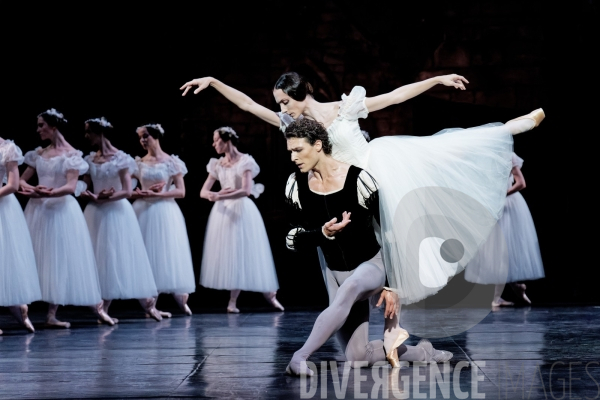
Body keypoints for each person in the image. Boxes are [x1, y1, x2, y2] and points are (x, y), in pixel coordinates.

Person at [180, 72, 545, 305]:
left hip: (378, 168)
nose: (283, 108)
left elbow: (395, 96)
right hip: (345, 188)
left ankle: (510, 128)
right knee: (367, 248)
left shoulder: (346, 107)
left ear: (302, 93)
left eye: (286, 101)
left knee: (440, 152)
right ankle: (367, 312)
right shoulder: (294, 125)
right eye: (280, 104)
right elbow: (247, 105)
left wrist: (435, 80)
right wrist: (213, 82)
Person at [283, 118, 452, 376]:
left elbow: (392, 232)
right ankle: (421, 352)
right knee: (358, 357)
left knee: (351, 288)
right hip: (334, 273)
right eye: (290, 151)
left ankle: (300, 356)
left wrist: (394, 285)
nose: (293, 157)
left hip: (371, 265)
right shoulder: (296, 185)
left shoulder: (359, 180)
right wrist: (322, 233)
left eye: (298, 150)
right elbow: (292, 239)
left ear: (318, 145)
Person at [19, 109, 114, 328]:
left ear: (54, 127)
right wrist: (33, 188)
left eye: (42, 125)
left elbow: (71, 186)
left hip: (61, 209)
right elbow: (22, 181)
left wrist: (48, 192)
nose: (38, 130)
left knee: (59, 258)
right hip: (38, 209)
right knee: (34, 255)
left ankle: (53, 313)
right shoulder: (38, 154)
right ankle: (24, 308)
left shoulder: (72, 154)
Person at [81, 117, 163, 321]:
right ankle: (102, 307)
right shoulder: (90, 159)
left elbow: (127, 190)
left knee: (120, 255)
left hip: (117, 211)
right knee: (98, 256)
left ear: (99, 133)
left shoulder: (122, 158)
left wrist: (105, 197)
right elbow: (83, 185)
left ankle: (146, 304)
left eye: (89, 132)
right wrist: (90, 195)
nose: (86, 136)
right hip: (95, 212)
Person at [199, 127, 283, 313]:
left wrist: (220, 197)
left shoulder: (245, 161)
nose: (214, 144)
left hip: (241, 209)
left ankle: (270, 294)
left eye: (216, 140)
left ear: (226, 140)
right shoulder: (217, 164)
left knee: (248, 250)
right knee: (230, 253)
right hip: (223, 212)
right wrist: (215, 194)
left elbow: (246, 190)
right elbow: (203, 191)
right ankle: (232, 301)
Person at [465, 152, 544, 306]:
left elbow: (521, 182)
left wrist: (503, 194)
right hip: (493, 206)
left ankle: (500, 295)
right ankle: (513, 289)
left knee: (503, 248)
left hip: (508, 205)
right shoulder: (487, 157)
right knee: (494, 249)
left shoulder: (509, 156)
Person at [132, 123, 195, 316]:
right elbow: (132, 189)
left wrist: (160, 194)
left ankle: (177, 297)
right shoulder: (139, 163)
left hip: (165, 211)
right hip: (143, 209)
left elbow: (181, 191)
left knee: (166, 252)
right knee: (147, 254)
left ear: (156, 136)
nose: (143, 140)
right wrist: (143, 192)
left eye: (146, 136)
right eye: (141, 137)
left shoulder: (171, 162)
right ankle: (151, 302)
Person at [0, 137, 41, 334]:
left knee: (5, 259)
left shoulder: (8, 149)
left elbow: (13, 185)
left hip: (3, 207)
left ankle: (18, 306)